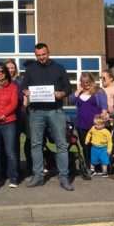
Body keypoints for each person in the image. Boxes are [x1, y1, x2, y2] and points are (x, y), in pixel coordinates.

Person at [21, 43, 74, 191]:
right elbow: (24, 86)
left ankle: (64, 177)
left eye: (43, 54)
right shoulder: (30, 69)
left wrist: (62, 93)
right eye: (38, 56)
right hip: (36, 112)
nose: (41, 58)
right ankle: (38, 176)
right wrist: (26, 92)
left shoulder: (59, 67)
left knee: (61, 145)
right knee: (36, 144)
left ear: (48, 52)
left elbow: (68, 87)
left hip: (55, 111)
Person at [69, 72, 108, 172]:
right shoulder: (80, 92)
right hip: (81, 123)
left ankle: (98, 165)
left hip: (96, 125)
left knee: (97, 145)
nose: (86, 84)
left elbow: (104, 106)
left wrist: (104, 113)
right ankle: (88, 165)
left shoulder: (99, 91)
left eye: (88, 82)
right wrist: (79, 90)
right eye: (83, 82)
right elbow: (71, 100)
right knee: (85, 146)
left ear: (92, 81)